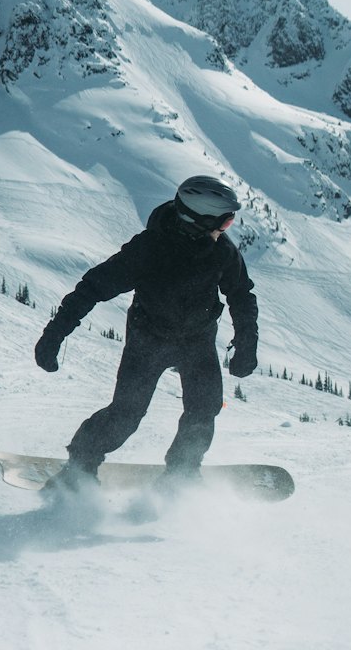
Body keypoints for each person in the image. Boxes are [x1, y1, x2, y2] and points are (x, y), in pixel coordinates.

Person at [34, 174, 259, 495]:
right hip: (149, 340)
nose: (227, 229)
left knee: (204, 409)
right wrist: (54, 333)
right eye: (225, 222)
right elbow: (93, 288)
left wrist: (247, 342)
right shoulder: (149, 249)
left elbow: (241, 295)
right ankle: (80, 467)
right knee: (126, 414)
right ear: (201, 219)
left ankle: (182, 472)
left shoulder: (221, 251)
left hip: (197, 340)